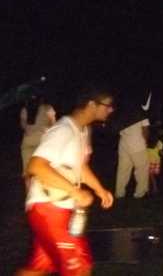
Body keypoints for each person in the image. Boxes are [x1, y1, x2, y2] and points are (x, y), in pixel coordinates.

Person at [15, 86, 115, 276]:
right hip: (48, 209)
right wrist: (75, 191)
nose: (111, 110)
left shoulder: (82, 131)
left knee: (37, 268)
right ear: (92, 104)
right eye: (107, 105)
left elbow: (80, 167)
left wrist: (99, 189)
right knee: (79, 266)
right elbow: (35, 166)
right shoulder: (63, 129)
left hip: (57, 209)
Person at [20, 95, 56, 188]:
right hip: (42, 142)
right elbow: (54, 125)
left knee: (28, 173)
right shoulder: (48, 108)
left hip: (28, 142)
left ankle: (30, 198)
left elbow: (23, 126)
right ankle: (43, 195)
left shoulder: (25, 109)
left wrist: (30, 128)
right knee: (43, 169)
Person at [115, 115, 150, 199]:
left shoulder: (122, 114)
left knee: (123, 170)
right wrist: (146, 142)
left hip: (123, 143)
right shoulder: (140, 113)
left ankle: (119, 193)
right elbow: (145, 129)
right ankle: (140, 193)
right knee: (141, 170)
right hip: (137, 144)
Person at [146, 129, 163, 195]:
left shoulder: (147, 142)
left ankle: (149, 190)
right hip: (157, 161)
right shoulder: (159, 142)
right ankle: (155, 189)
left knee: (149, 176)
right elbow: (160, 153)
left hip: (149, 161)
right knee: (154, 176)